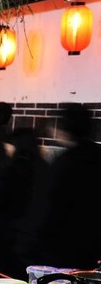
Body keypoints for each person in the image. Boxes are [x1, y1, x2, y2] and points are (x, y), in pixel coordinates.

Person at [34, 102, 101, 269]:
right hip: (92, 247)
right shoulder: (97, 156)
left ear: (64, 129)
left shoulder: (64, 163)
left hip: (61, 248)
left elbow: (46, 208)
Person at [0, 126, 47, 279]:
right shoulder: (44, 168)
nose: (6, 148)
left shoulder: (11, 169)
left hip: (8, 240)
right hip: (35, 242)